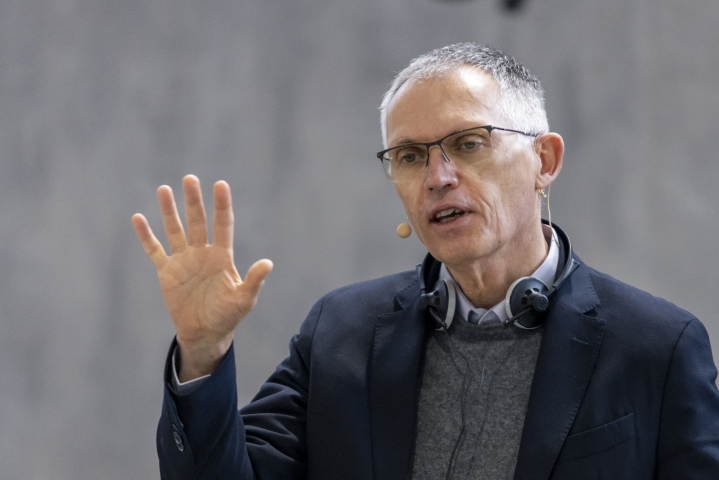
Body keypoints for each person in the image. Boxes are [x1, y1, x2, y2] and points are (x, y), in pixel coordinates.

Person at [132, 44, 719, 479]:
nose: (437, 178)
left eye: (469, 144)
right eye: (410, 156)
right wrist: (203, 352)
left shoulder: (658, 347)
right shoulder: (341, 332)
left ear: (544, 159)